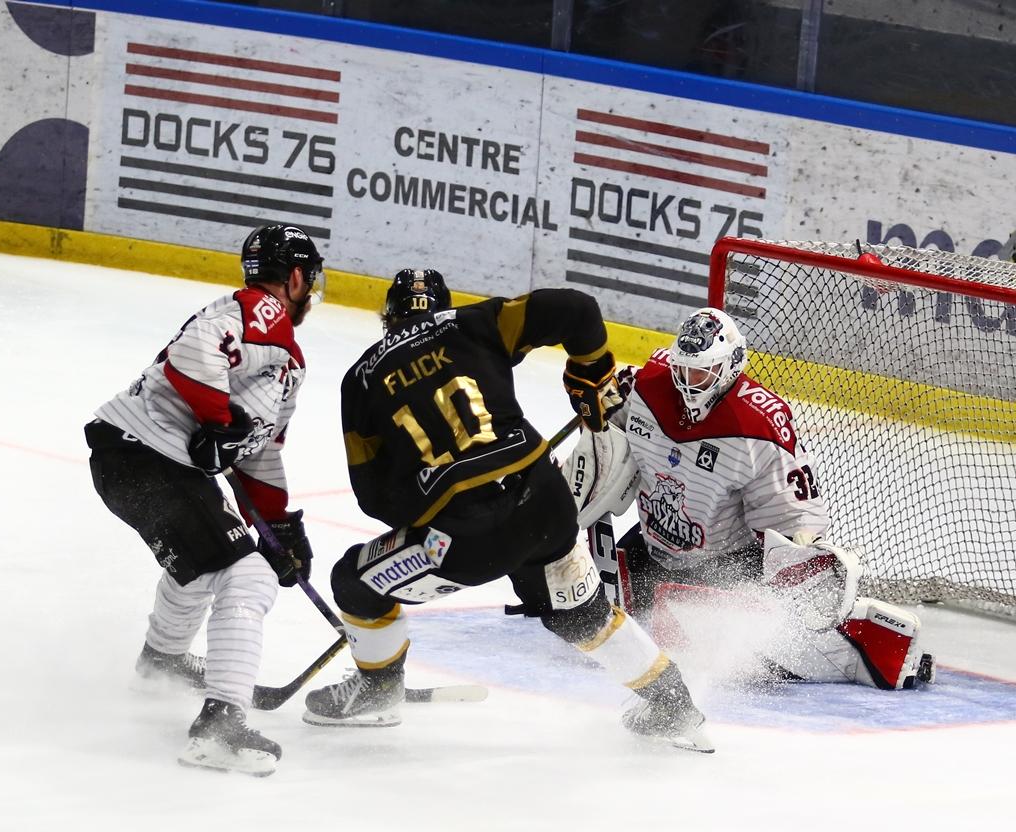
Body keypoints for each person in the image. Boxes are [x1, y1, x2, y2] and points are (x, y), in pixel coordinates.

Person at [304, 268, 712, 753]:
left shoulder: (361, 379)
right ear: (443, 305)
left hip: (463, 540)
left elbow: (373, 497)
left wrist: (434, 514)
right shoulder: (471, 323)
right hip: (547, 503)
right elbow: (578, 309)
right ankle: (675, 706)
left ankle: (378, 689)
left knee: (354, 581)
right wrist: (593, 375)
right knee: (580, 616)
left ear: (388, 319)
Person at [562, 306, 933, 690]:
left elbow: (794, 524)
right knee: (579, 618)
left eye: (701, 372)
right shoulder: (648, 386)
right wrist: (591, 395)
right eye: (683, 369)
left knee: (748, 654)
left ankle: (871, 641)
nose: (688, 382)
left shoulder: (760, 428)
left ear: (730, 366)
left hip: (720, 568)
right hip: (651, 550)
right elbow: (606, 411)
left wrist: (801, 562)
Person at [86, 223, 322, 775]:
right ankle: (219, 726)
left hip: (135, 460)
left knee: (212, 557)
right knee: (250, 574)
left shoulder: (272, 344)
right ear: (295, 277)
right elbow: (194, 353)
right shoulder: (266, 313)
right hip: (147, 460)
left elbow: (254, 454)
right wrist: (219, 420)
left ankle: (161, 664)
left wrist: (279, 526)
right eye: (308, 279)